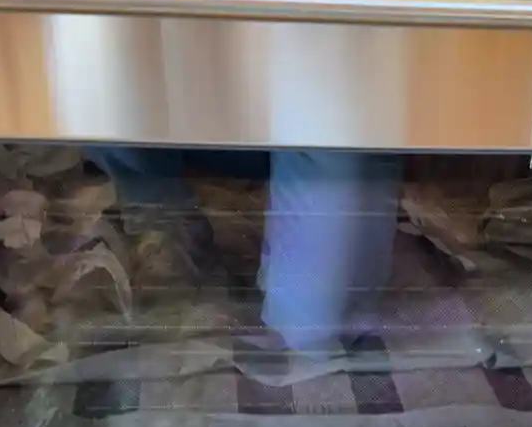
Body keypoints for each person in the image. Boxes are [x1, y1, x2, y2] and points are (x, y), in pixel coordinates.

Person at [88, 147, 401, 354]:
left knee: (313, 330)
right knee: (98, 70)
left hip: (314, 102)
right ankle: (162, 217)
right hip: (191, 95)